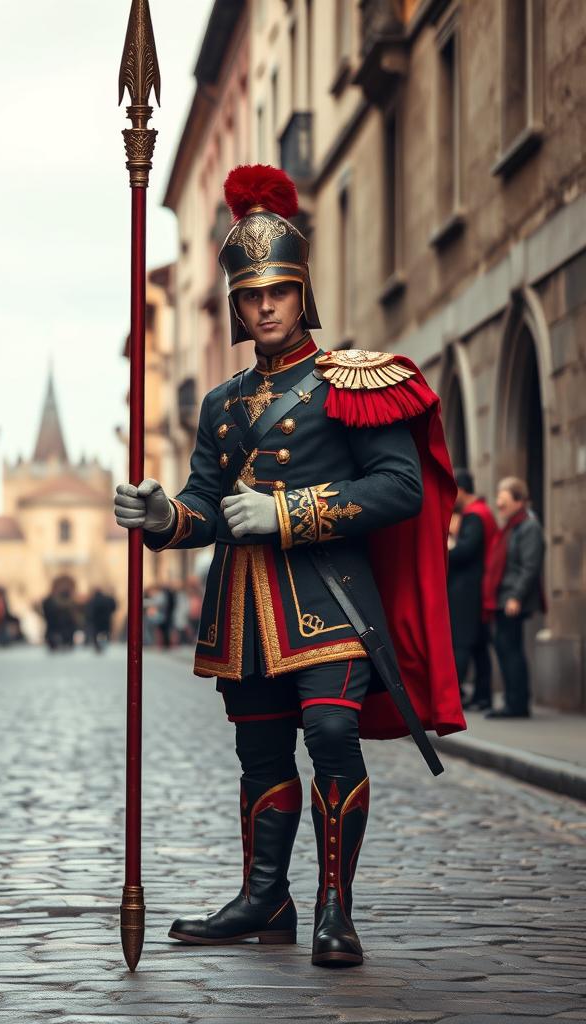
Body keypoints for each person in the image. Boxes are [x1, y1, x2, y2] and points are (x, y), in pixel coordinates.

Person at [113, 165, 464, 968]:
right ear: (236, 303)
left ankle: (336, 906)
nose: (264, 305)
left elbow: (399, 488)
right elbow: (204, 503)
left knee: (333, 732)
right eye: (250, 294)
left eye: (277, 291)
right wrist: (165, 515)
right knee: (260, 754)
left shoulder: (353, 383)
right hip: (243, 609)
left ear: (301, 294)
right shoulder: (221, 404)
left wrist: (288, 512)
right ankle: (267, 897)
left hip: (329, 600)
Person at [482, 476, 545, 719]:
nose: (499, 503)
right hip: (504, 598)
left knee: (510, 649)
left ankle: (517, 704)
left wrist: (515, 596)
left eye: (503, 499)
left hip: (512, 599)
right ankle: (513, 701)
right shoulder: (512, 526)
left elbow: (529, 567)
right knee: (506, 648)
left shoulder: (528, 526)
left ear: (519, 501)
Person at [447, 470, 497, 711]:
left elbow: (466, 551)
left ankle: (456, 694)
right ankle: (481, 695)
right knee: (477, 644)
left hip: (467, 589)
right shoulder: (478, 513)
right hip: (474, 586)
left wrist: (444, 552)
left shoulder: (475, 515)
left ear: (461, 490)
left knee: (463, 643)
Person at [86, 588, 117, 652]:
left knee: (96, 633)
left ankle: (97, 646)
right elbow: (113, 607)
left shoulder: (93, 600)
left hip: (96, 621)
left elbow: (89, 610)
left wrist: (90, 619)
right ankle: (104, 644)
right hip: (105, 619)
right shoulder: (106, 599)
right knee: (105, 632)